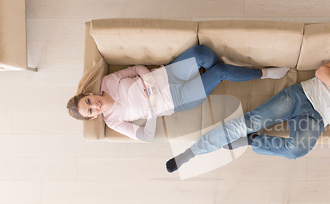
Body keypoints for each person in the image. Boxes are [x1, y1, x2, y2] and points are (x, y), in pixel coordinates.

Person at [166, 49, 330, 172]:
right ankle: (192, 152)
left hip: (318, 118)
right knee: (248, 121)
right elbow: (322, 71)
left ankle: (253, 142)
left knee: (296, 150)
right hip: (302, 94)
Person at [67, 45, 290, 141]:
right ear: (93, 117)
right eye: (90, 110)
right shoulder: (114, 121)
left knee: (204, 53)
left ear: (88, 93)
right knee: (221, 71)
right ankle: (265, 73)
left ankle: (215, 73)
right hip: (178, 99)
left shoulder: (108, 81)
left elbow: (136, 69)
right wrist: (152, 112)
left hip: (167, 74)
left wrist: (146, 76)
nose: (94, 104)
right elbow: (146, 136)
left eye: (88, 100)